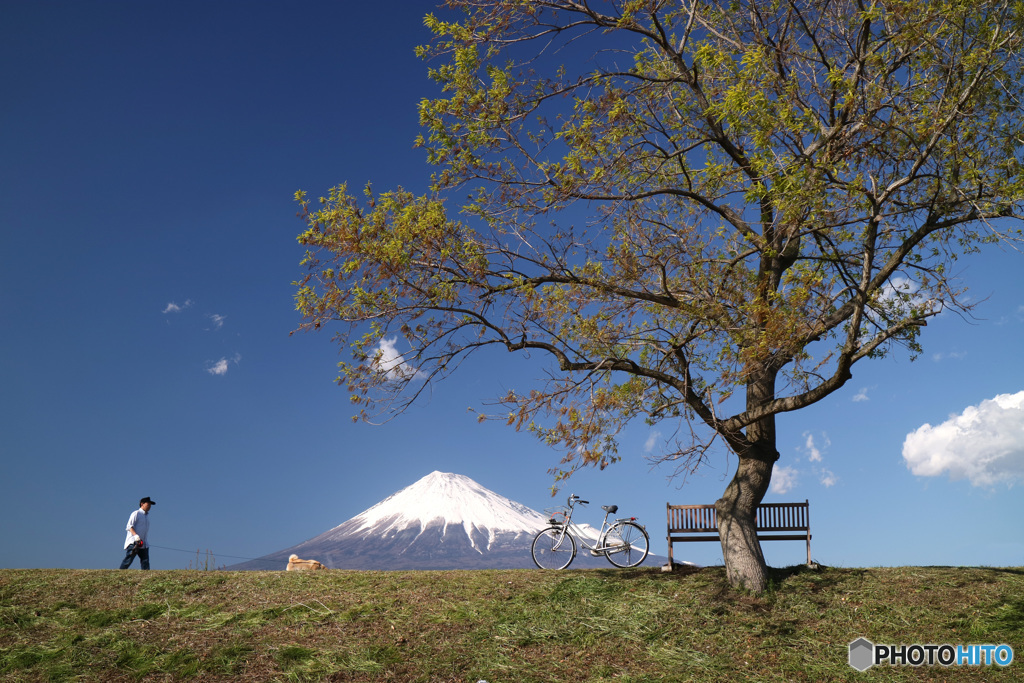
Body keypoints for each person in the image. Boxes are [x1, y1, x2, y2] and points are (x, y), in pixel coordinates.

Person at [119, 496, 155, 569]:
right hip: (134, 542)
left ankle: (146, 577)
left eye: (150, 505)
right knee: (128, 560)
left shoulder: (147, 517)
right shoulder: (136, 513)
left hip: (143, 543)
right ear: (142, 504)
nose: (150, 506)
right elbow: (129, 526)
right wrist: (135, 536)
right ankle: (119, 573)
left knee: (145, 561)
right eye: (148, 504)